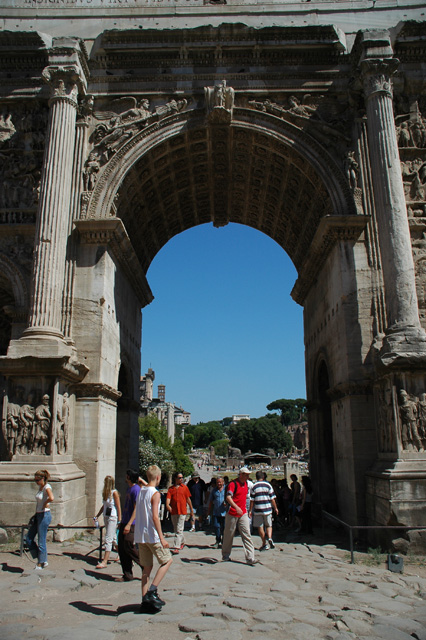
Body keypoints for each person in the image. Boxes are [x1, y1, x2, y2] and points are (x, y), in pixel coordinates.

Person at [126, 465, 173, 612]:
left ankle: (144, 600)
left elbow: (147, 487)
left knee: (146, 568)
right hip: (152, 535)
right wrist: (162, 537)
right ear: (158, 477)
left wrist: (142, 480)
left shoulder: (141, 491)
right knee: (167, 561)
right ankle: (152, 591)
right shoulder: (156, 494)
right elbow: (155, 516)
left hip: (141, 535)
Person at [117, 469, 147, 581]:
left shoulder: (136, 490)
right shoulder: (130, 489)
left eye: (126, 475)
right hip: (125, 522)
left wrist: (129, 524)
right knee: (122, 549)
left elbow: (136, 508)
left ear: (129, 477)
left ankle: (145, 566)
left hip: (132, 523)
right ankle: (127, 574)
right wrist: (122, 522)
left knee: (129, 546)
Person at [221, 467, 256, 565]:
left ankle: (250, 557)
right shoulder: (233, 484)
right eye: (246, 474)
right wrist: (236, 507)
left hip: (243, 512)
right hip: (232, 512)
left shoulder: (246, 484)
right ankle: (225, 555)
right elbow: (228, 497)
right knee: (229, 534)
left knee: (247, 533)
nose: (248, 476)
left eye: (248, 475)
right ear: (241, 474)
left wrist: (245, 509)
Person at [25, 469, 54, 570]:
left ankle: (41, 563)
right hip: (38, 514)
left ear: (43, 479)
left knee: (41, 540)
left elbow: (52, 497)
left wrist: (45, 504)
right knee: (28, 538)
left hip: (45, 515)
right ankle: (42, 558)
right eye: (35, 480)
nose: (36, 482)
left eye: (37, 480)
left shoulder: (47, 487)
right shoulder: (41, 488)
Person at [94, 475, 122, 569]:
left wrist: (120, 519)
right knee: (113, 538)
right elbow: (104, 506)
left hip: (112, 517)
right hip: (106, 516)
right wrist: (97, 515)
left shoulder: (114, 493)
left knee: (108, 539)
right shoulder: (106, 493)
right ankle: (122, 556)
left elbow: (118, 506)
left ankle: (105, 561)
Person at [249, 471, 279, 551]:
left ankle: (264, 542)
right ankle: (269, 537)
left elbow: (252, 500)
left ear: (256, 477)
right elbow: (272, 499)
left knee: (260, 526)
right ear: (263, 477)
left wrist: (250, 510)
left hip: (258, 509)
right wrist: (275, 508)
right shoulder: (268, 485)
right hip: (268, 509)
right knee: (269, 525)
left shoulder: (254, 486)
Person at [166, 471, 194, 554]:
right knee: (176, 529)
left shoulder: (185, 488)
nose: (181, 479)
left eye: (182, 477)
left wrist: (191, 510)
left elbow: (188, 499)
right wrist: (168, 505)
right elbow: (168, 499)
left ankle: (176, 547)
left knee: (179, 529)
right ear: (175, 478)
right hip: (174, 511)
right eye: (179, 478)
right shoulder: (171, 489)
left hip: (182, 511)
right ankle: (182, 541)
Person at [208, 476, 226, 548]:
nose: (219, 483)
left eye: (220, 482)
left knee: (224, 528)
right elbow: (211, 501)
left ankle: (224, 542)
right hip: (216, 512)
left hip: (225, 513)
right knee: (216, 527)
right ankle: (218, 541)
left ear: (223, 482)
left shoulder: (226, 490)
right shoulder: (214, 491)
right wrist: (209, 511)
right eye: (217, 482)